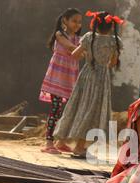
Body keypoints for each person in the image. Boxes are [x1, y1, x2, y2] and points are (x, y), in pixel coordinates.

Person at [53, 11, 123, 158]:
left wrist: (89, 56)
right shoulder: (114, 41)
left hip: (86, 75)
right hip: (101, 79)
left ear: (95, 24)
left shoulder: (88, 37)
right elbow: (113, 63)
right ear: (111, 27)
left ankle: (60, 141)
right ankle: (79, 147)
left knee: (78, 106)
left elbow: (75, 55)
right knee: (93, 110)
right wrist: (103, 63)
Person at [39, 8, 83, 154]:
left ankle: (61, 141)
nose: (77, 24)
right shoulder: (60, 34)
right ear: (65, 20)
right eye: (74, 21)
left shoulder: (79, 39)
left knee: (68, 112)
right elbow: (71, 49)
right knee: (56, 110)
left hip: (70, 79)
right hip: (57, 78)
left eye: (79, 22)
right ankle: (48, 143)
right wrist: (86, 47)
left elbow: (78, 54)